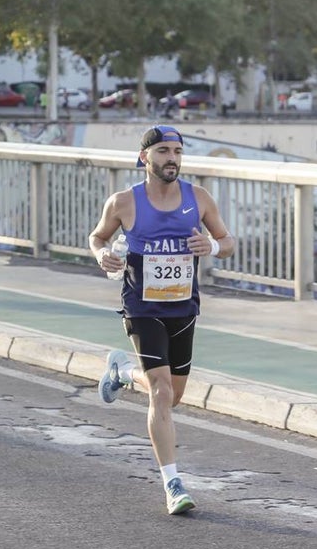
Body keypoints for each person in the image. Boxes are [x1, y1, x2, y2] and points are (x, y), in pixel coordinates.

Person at [88, 125, 236, 515]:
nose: (172, 158)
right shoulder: (123, 202)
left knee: (175, 394)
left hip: (183, 307)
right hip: (142, 306)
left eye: (177, 152)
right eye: (163, 151)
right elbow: (98, 237)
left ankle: (121, 372)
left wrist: (215, 245)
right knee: (161, 392)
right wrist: (101, 255)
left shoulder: (198, 198)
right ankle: (173, 483)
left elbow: (227, 241)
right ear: (145, 158)